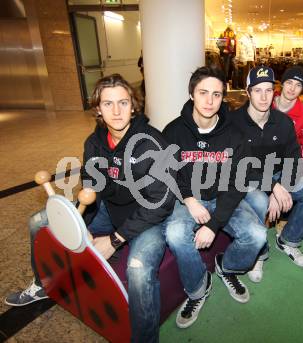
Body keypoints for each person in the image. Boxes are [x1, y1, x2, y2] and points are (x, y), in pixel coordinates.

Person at [5, 74, 175, 343]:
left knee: (139, 269)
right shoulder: (94, 142)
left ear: (134, 106)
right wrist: (79, 217)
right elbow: (94, 187)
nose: (116, 111)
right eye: (108, 104)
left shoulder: (153, 144)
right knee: (40, 222)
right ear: (98, 109)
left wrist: (115, 240)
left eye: (123, 102)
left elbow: (161, 203)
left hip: (148, 218)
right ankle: (43, 284)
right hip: (109, 209)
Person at [162, 66, 267, 329]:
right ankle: (199, 288)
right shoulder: (174, 130)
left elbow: (238, 183)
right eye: (203, 93)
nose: (210, 101)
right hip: (189, 199)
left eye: (217, 95)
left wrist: (214, 224)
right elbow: (167, 171)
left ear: (223, 98)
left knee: (258, 235)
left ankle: (227, 267)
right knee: (175, 233)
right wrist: (188, 198)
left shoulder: (235, 134)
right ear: (191, 94)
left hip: (223, 199)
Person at [230, 66, 303, 279]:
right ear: (247, 91)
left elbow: (294, 157)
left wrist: (283, 186)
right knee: (261, 201)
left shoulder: (282, 122)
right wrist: (272, 189)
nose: (263, 97)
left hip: (279, 177)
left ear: (274, 92)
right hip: (249, 179)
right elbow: (238, 168)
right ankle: (259, 254)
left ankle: (288, 241)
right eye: (258, 90)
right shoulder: (233, 123)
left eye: (268, 90)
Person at [272, 66, 303, 179]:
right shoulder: (265, 103)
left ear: (302, 89)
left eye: (298, 85)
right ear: (282, 83)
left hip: (289, 165)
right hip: (260, 163)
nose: (292, 88)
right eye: (289, 82)